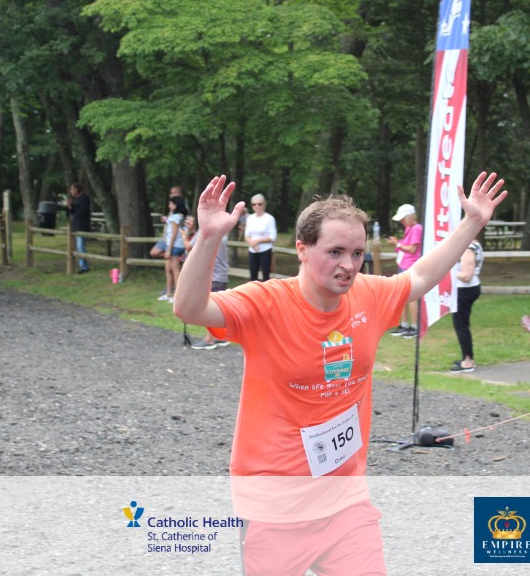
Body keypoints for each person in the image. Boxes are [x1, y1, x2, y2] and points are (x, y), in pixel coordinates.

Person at [174, 172, 507, 574]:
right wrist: (209, 236)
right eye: (335, 252)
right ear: (302, 249)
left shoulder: (368, 294)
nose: (348, 265)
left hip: (345, 501)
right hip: (274, 507)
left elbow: (420, 276)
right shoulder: (266, 302)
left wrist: (472, 222)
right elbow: (189, 309)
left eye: (356, 253)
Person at [184, 218, 231, 351]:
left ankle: (209, 339)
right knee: (220, 307)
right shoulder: (223, 232)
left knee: (208, 307)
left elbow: (188, 247)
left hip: (213, 275)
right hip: (222, 274)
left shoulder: (206, 230)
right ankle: (220, 336)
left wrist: (184, 235)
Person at [386, 203, 422, 338]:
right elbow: (405, 247)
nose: (401, 221)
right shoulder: (409, 228)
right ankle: (404, 325)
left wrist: (397, 244)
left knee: (411, 297)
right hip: (403, 265)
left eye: (403, 218)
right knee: (402, 297)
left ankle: (415, 327)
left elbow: (412, 249)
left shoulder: (416, 228)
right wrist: (398, 243)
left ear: (409, 217)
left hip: (410, 266)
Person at [449, 239, 483, 372]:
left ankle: (468, 361)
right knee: (462, 325)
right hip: (467, 289)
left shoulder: (468, 248)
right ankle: (466, 356)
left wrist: (449, 271)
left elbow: (466, 276)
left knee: (461, 326)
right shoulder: (475, 244)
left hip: (465, 290)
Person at [244, 193, 277, 281]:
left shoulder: (269, 218)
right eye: (254, 204)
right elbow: (247, 235)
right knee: (252, 277)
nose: (257, 206)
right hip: (252, 250)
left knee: (266, 277)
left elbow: (272, 237)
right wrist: (252, 243)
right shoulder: (250, 218)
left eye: (259, 204)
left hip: (265, 250)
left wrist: (257, 241)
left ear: (264, 204)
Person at [66, 183, 91, 274]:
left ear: (76, 189)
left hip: (82, 225)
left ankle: (84, 267)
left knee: (81, 247)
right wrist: (70, 206)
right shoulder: (76, 199)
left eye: (72, 189)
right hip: (76, 225)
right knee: (79, 247)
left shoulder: (85, 198)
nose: (71, 191)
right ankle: (83, 265)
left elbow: (83, 212)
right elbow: (73, 213)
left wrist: (73, 205)